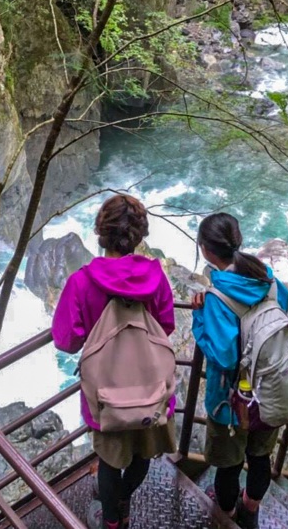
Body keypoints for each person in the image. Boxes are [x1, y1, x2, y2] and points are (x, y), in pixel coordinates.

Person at [52, 194, 177, 529]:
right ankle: (123, 501)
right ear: (138, 235)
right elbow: (165, 326)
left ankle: (110, 521)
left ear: (100, 232)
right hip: (151, 387)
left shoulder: (81, 281)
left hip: (107, 395)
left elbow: (66, 340)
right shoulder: (156, 278)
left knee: (109, 462)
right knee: (142, 455)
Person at [190, 213, 288, 529]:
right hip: (273, 388)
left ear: (205, 250)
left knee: (229, 466)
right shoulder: (273, 284)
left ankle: (229, 516)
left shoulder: (217, 299)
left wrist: (199, 316)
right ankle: (251, 508)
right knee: (260, 458)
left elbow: (223, 355)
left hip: (233, 402)